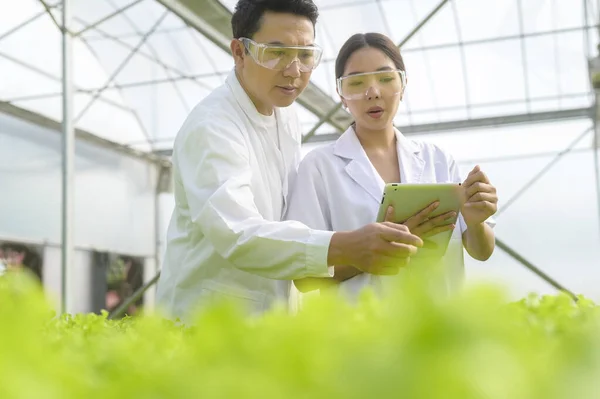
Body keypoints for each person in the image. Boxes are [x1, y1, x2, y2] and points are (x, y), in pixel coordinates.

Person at [155, 1, 424, 322]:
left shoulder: (285, 113)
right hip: (204, 322)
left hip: (267, 320)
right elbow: (238, 233)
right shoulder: (213, 127)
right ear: (239, 52)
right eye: (276, 52)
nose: (294, 70)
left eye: (306, 55)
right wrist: (345, 245)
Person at [285, 32, 498, 300]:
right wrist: (373, 254)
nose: (373, 92)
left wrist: (476, 222)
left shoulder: (439, 160)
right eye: (357, 82)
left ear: (403, 85)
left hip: (436, 326)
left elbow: (482, 251)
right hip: (360, 331)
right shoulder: (319, 168)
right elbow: (303, 276)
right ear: (341, 94)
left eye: (386, 79)